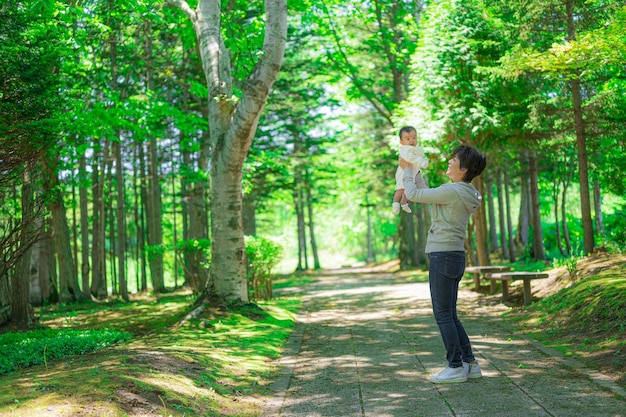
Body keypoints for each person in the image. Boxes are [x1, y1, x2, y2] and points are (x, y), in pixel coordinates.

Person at [400, 144, 487, 384]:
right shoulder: (462, 191)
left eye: (454, 159)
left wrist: (406, 170)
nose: (449, 161)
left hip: (442, 255)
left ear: (464, 168)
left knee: (443, 315)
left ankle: (455, 366)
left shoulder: (453, 191)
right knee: (450, 314)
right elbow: (426, 191)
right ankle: (470, 363)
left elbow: (415, 195)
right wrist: (416, 168)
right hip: (454, 254)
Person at [392, 126, 429, 215]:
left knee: (407, 190)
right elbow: (411, 158)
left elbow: (419, 153)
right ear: (402, 142)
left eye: (414, 138)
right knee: (401, 189)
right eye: (407, 139)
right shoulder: (405, 150)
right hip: (403, 173)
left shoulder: (414, 148)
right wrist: (422, 162)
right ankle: (395, 203)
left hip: (412, 173)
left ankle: (404, 203)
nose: (411, 141)